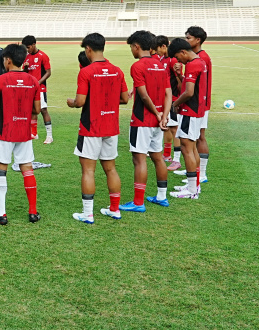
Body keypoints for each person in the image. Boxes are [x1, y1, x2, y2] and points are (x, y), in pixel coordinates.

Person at [67, 33, 129, 224]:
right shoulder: (117, 70)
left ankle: (88, 214)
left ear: (88, 50)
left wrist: (72, 103)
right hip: (111, 127)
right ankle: (114, 209)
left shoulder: (86, 72)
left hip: (91, 127)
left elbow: (80, 101)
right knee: (111, 169)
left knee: (88, 171)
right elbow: (125, 98)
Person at [0, 43, 42, 225]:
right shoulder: (33, 81)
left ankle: (1, 214)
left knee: (0, 170)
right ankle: (33, 212)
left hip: (4, 132)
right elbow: (37, 109)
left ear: (8, 60)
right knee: (27, 168)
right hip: (24, 132)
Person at [119, 31, 172, 212]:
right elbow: (168, 93)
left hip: (142, 120)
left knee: (139, 159)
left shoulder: (138, 66)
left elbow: (143, 94)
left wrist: (157, 114)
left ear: (136, 46)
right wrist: (164, 116)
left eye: (131, 47)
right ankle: (161, 197)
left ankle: (138, 202)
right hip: (158, 121)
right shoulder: (160, 65)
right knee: (157, 157)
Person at [167, 37, 208, 199]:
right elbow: (191, 87)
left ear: (183, 52)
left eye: (178, 57)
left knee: (187, 147)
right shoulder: (200, 62)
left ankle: (192, 190)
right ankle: (194, 185)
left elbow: (189, 92)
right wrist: (179, 75)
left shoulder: (192, 65)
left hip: (190, 112)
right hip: (197, 111)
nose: (178, 61)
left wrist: (174, 104)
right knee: (192, 148)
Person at [184, 26, 211, 184]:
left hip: (200, 104)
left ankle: (202, 173)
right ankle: (194, 171)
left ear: (198, 40)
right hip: (200, 103)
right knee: (194, 138)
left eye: (189, 38)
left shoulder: (201, 58)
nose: (186, 40)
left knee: (199, 137)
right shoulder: (198, 57)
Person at [155, 36, 182, 169]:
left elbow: (178, 81)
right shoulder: (162, 59)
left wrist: (177, 98)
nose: (156, 52)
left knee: (174, 129)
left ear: (164, 46)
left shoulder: (173, 60)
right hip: (165, 99)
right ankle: (167, 154)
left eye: (157, 49)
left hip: (173, 99)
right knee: (166, 126)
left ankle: (177, 159)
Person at [21, 35, 53, 144]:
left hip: (40, 88)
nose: (27, 50)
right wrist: (25, 67)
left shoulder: (42, 56)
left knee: (43, 110)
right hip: (29, 88)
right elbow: (24, 73)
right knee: (32, 110)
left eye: (28, 47)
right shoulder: (26, 57)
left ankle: (49, 136)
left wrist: (38, 82)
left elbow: (48, 72)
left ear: (34, 44)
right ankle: (33, 133)